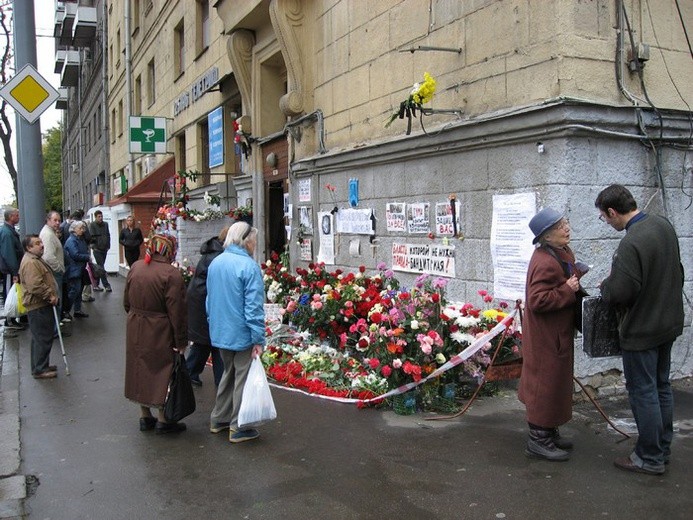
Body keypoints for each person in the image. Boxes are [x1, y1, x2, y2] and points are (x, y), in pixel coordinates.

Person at [595, 184, 684, 476]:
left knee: (643, 392)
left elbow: (620, 292)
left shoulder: (631, 242)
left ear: (613, 211)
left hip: (642, 331)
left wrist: (606, 285)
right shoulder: (662, 226)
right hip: (667, 324)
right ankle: (662, 448)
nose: (606, 223)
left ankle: (648, 457)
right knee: (661, 388)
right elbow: (679, 273)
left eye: (604, 218)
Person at [519, 207, 585, 462]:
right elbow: (537, 300)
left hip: (558, 333)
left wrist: (576, 274)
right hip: (546, 338)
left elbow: (565, 277)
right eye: (559, 227)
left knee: (556, 383)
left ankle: (549, 432)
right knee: (543, 385)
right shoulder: (544, 260)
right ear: (546, 236)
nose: (566, 228)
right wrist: (568, 289)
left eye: (565, 222)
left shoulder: (561, 252)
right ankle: (538, 440)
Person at [124, 233, 188, 434]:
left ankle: (144, 415)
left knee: (139, 367)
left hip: (136, 324)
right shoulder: (171, 274)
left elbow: (126, 302)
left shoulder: (136, 267)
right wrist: (181, 340)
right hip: (160, 327)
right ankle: (163, 418)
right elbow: (177, 311)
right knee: (162, 370)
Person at [207, 222, 266, 443]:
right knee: (242, 376)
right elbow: (253, 307)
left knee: (228, 373)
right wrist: (258, 338)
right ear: (245, 240)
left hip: (221, 330)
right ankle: (238, 426)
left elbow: (209, 300)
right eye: (253, 240)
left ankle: (219, 418)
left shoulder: (216, 263)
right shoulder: (248, 266)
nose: (255, 244)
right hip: (241, 332)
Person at [185, 227, 228, 387]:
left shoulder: (213, 253)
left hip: (200, 303)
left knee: (203, 343)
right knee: (214, 344)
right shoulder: (219, 257)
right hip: (204, 305)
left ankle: (190, 374)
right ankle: (221, 383)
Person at [18, 235, 60, 379]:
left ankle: (40, 365)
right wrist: (50, 296)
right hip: (38, 305)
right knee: (42, 336)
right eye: (37, 243)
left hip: (39, 304)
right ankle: (40, 369)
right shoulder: (30, 262)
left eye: (41, 242)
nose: (41, 245)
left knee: (39, 337)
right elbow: (35, 285)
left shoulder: (34, 259)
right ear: (29, 248)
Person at [0, 207, 25, 336]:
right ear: (11, 217)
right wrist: (15, 272)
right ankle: (9, 320)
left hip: (10, 269)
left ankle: (11, 319)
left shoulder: (8, 231)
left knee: (11, 292)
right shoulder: (7, 233)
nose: (19, 217)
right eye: (17, 215)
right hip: (9, 270)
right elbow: (9, 254)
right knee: (10, 293)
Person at [39, 211, 65, 322]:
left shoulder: (50, 233)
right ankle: (55, 329)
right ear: (48, 220)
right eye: (55, 220)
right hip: (54, 272)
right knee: (56, 299)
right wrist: (59, 269)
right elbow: (49, 256)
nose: (58, 223)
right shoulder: (48, 235)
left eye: (59, 220)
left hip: (53, 271)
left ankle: (56, 326)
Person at [63, 221, 91, 319]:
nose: (82, 230)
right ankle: (66, 310)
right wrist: (87, 257)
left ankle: (77, 310)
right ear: (74, 229)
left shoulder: (80, 239)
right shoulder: (72, 241)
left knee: (78, 291)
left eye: (83, 228)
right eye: (80, 228)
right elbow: (75, 255)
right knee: (75, 290)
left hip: (80, 268)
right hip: (74, 269)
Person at [88, 210, 111, 291]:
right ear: (95, 217)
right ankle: (106, 285)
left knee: (99, 267)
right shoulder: (92, 225)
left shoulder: (105, 224)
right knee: (101, 266)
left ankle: (96, 284)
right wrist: (93, 247)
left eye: (101, 216)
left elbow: (108, 235)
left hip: (104, 248)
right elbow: (91, 237)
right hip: (97, 249)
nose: (101, 218)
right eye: (99, 217)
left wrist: (108, 245)